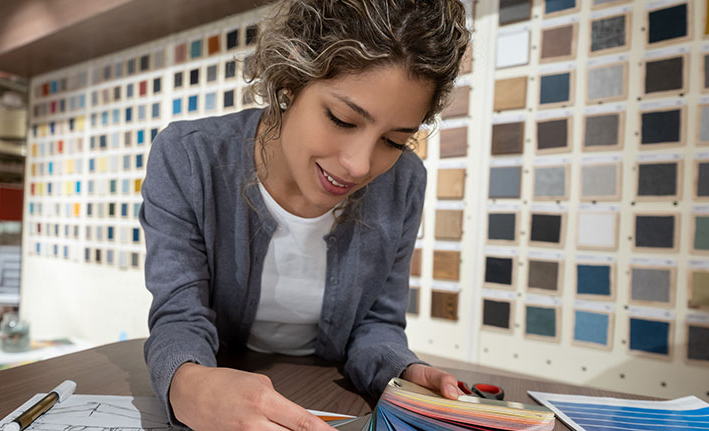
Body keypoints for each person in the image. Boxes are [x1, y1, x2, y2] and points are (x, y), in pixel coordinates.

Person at [140, 0, 471, 429]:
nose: (359, 165)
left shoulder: (404, 182)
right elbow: (179, 314)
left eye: (394, 140)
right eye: (342, 118)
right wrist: (187, 385)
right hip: (227, 390)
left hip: (333, 397)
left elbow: (376, 325)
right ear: (289, 81)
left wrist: (402, 371)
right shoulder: (189, 157)